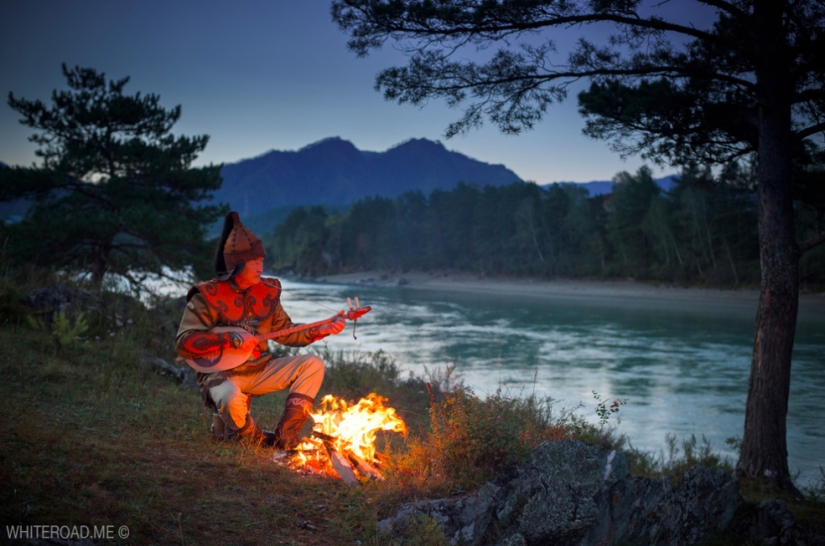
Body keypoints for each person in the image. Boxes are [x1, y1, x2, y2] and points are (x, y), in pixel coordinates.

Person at [175, 211, 345, 449]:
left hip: (260, 368)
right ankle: (258, 438)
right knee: (232, 400)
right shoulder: (207, 297)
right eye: (254, 262)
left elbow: (285, 330)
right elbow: (185, 343)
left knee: (313, 364)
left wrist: (323, 329)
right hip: (220, 375)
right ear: (236, 265)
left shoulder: (267, 291)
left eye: (261, 261)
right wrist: (230, 338)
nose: (260, 267)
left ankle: (286, 434)